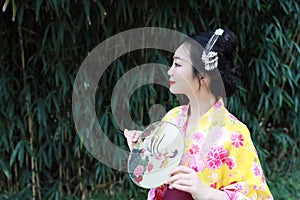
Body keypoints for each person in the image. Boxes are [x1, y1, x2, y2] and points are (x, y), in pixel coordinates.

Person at [124, 28, 273, 200]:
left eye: (178, 64)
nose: (170, 71)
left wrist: (206, 193)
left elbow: (258, 196)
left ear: (203, 74)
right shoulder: (173, 118)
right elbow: (159, 172)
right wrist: (142, 150)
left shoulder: (234, 134)